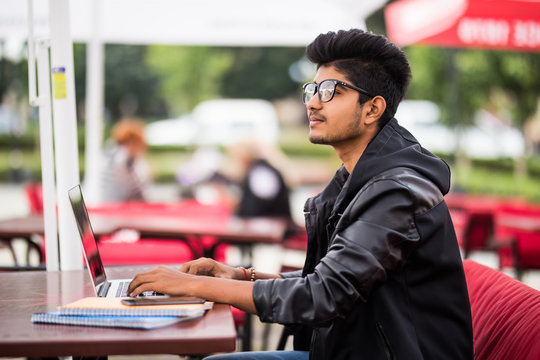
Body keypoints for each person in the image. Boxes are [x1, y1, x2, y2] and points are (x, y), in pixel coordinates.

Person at [128, 29, 473, 360]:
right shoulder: (357, 179)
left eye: (330, 91)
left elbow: (322, 295)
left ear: (372, 109)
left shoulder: (396, 192)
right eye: (312, 90)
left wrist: (194, 286)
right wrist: (240, 275)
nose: (312, 104)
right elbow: (331, 279)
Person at [100, 117, 152, 202]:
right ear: (132, 142)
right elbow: (137, 190)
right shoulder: (122, 158)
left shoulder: (113, 152)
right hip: (115, 206)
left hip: (109, 203)